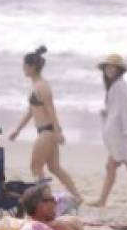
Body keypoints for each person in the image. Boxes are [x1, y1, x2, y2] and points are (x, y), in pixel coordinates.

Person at [8, 46, 84, 204]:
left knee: (35, 167)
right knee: (54, 167)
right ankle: (77, 196)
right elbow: (31, 111)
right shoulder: (36, 86)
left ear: (32, 67)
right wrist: (18, 130)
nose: (23, 69)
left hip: (47, 132)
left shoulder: (42, 86)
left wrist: (58, 132)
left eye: (24, 66)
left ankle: (43, 198)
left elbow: (51, 110)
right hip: (45, 132)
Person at [89, 54, 127, 209]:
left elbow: (126, 111)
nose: (109, 70)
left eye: (112, 67)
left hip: (124, 136)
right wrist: (106, 112)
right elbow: (116, 110)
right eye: (107, 67)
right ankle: (103, 200)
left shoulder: (120, 86)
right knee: (112, 166)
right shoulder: (115, 86)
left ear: (118, 69)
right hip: (117, 136)